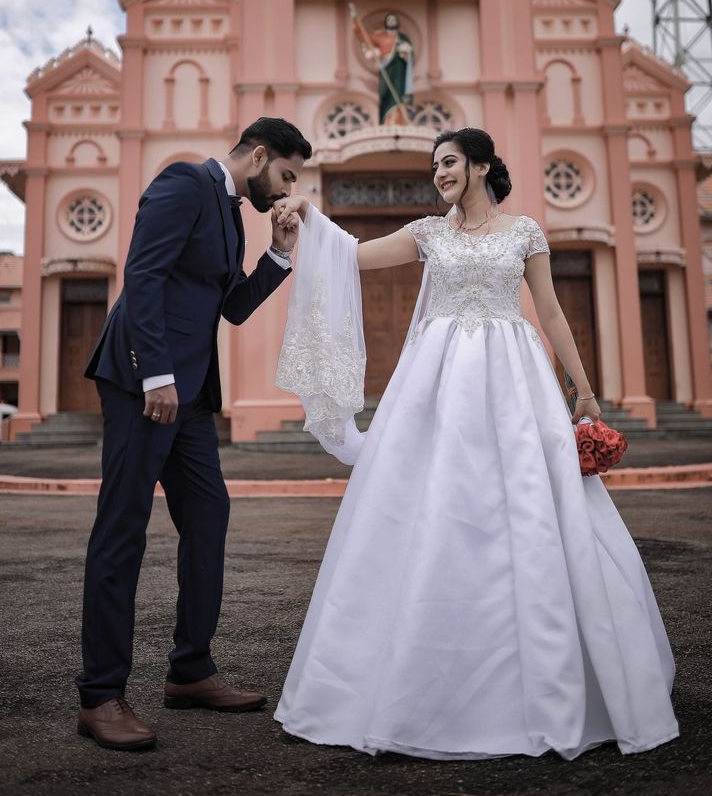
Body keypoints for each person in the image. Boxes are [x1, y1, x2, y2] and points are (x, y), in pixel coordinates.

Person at [272, 127, 678, 760]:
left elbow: (548, 312)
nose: (440, 174)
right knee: (431, 506)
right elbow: (354, 254)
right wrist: (308, 217)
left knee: (529, 509)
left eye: (451, 163)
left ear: (483, 165)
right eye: (435, 166)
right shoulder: (429, 234)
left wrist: (586, 390)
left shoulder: (524, 234)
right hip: (434, 386)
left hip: (514, 382)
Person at [76, 117, 312, 751]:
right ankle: (100, 693)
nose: (287, 188)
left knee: (208, 518)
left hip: (191, 397)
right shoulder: (183, 183)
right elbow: (143, 277)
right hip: (142, 385)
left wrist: (280, 253)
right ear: (258, 154)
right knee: (122, 527)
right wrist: (154, 374)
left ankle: (190, 670)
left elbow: (230, 304)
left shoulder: (232, 214)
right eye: (286, 175)